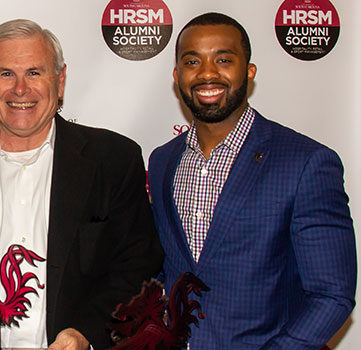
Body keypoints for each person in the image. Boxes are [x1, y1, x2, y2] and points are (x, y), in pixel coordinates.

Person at [0, 19, 163, 350]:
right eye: (6, 73)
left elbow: (137, 266)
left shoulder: (114, 160)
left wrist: (85, 334)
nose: (20, 89)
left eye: (34, 72)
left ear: (60, 81)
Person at [148, 12, 356, 349]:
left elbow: (331, 295)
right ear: (177, 75)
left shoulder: (305, 162)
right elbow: (166, 269)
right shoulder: (162, 161)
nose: (207, 73)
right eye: (192, 62)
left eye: (224, 60)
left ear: (249, 71)